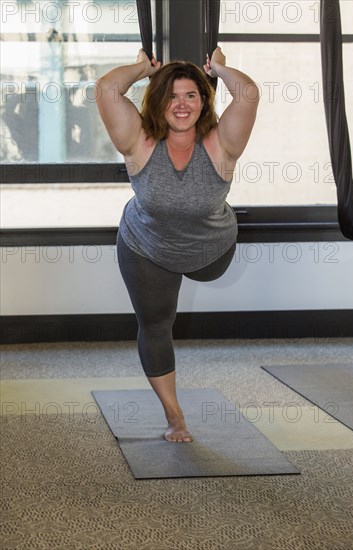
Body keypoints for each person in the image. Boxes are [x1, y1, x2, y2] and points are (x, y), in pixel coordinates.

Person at [95, 47, 259, 443]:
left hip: (211, 251)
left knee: (204, 271)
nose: (181, 104)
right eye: (171, 95)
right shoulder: (138, 141)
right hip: (146, 247)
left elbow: (249, 94)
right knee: (154, 324)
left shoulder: (222, 143)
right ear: (158, 100)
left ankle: (201, 82)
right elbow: (105, 89)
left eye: (191, 95)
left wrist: (218, 67)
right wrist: (141, 68)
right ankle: (175, 416)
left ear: (204, 102)